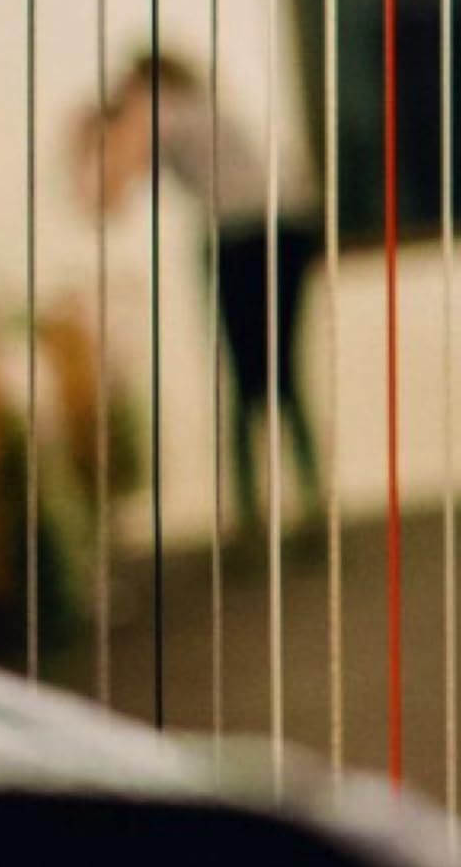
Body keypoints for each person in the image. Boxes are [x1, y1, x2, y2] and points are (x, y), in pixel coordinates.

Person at [88, 54, 322, 538]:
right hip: (287, 230)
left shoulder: (163, 111)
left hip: (241, 240)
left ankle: (250, 515)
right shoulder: (206, 106)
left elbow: (107, 197)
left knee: (244, 378)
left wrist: (105, 139)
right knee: (283, 374)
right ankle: (306, 503)